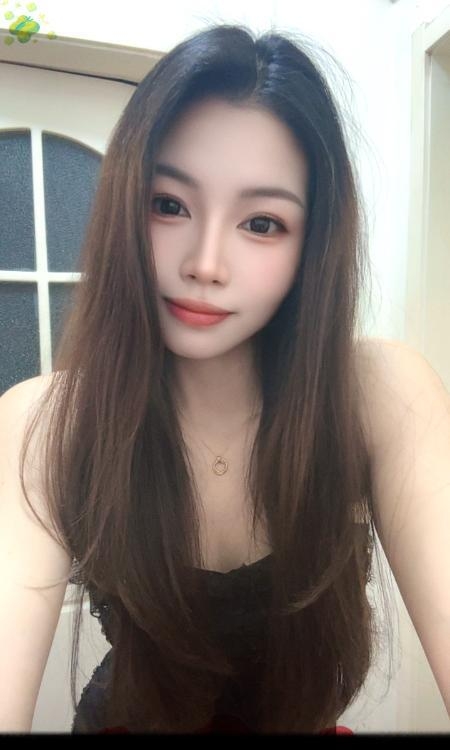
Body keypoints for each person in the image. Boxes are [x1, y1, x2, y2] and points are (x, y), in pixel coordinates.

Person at [0, 22, 449, 735]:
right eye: (169, 204)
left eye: (262, 223)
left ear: (312, 244)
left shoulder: (379, 396)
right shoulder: (45, 424)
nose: (205, 263)